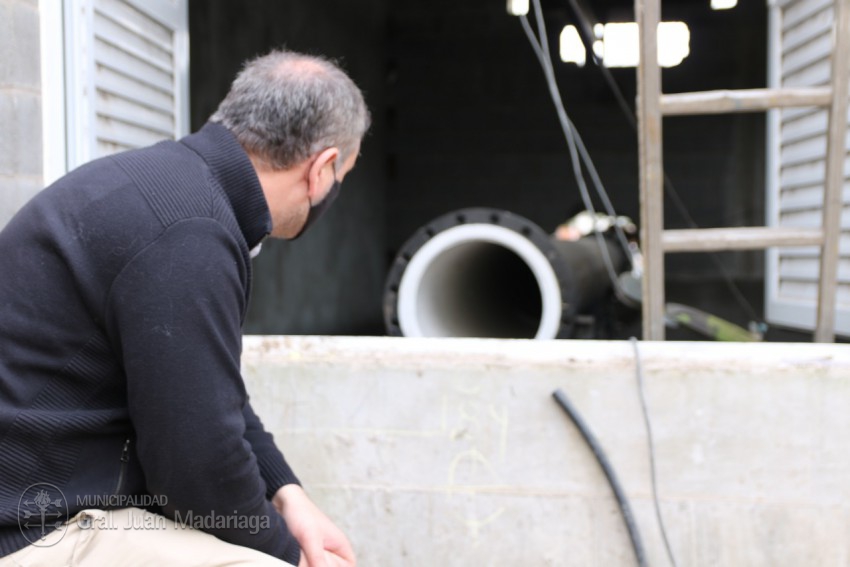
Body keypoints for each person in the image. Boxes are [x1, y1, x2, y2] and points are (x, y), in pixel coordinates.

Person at [0, 49, 369, 566]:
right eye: (341, 176)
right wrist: (289, 555)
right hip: (32, 527)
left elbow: (210, 395)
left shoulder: (174, 190)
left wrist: (289, 493)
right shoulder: (190, 234)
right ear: (322, 168)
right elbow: (198, 470)